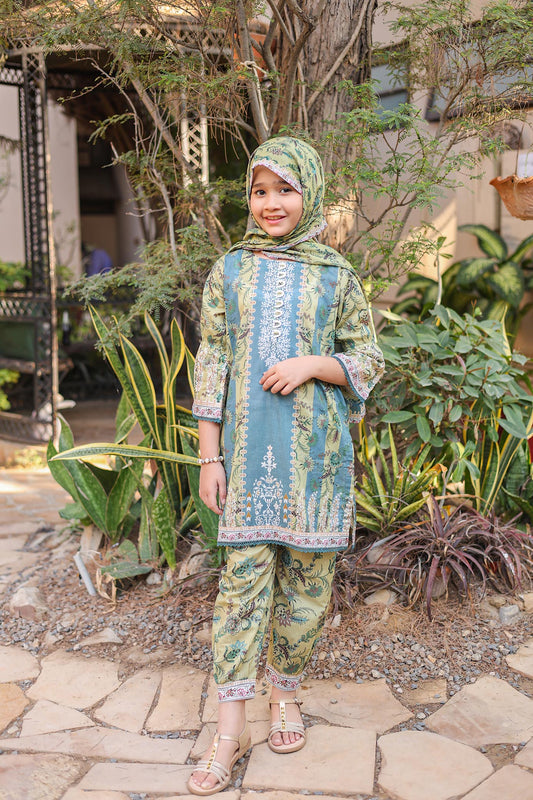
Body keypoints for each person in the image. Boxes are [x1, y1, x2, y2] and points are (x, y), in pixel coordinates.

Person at [188, 136, 384, 796]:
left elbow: (368, 358)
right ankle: (227, 732)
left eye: (285, 190)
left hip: (316, 461)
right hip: (245, 461)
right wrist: (208, 455)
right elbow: (212, 361)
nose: (270, 203)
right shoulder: (230, 270)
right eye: (259, 190)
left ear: (311, 194)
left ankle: (285, 696)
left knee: (306, 588)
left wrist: (313, 365)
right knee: (239, 591)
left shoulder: (336, 275)